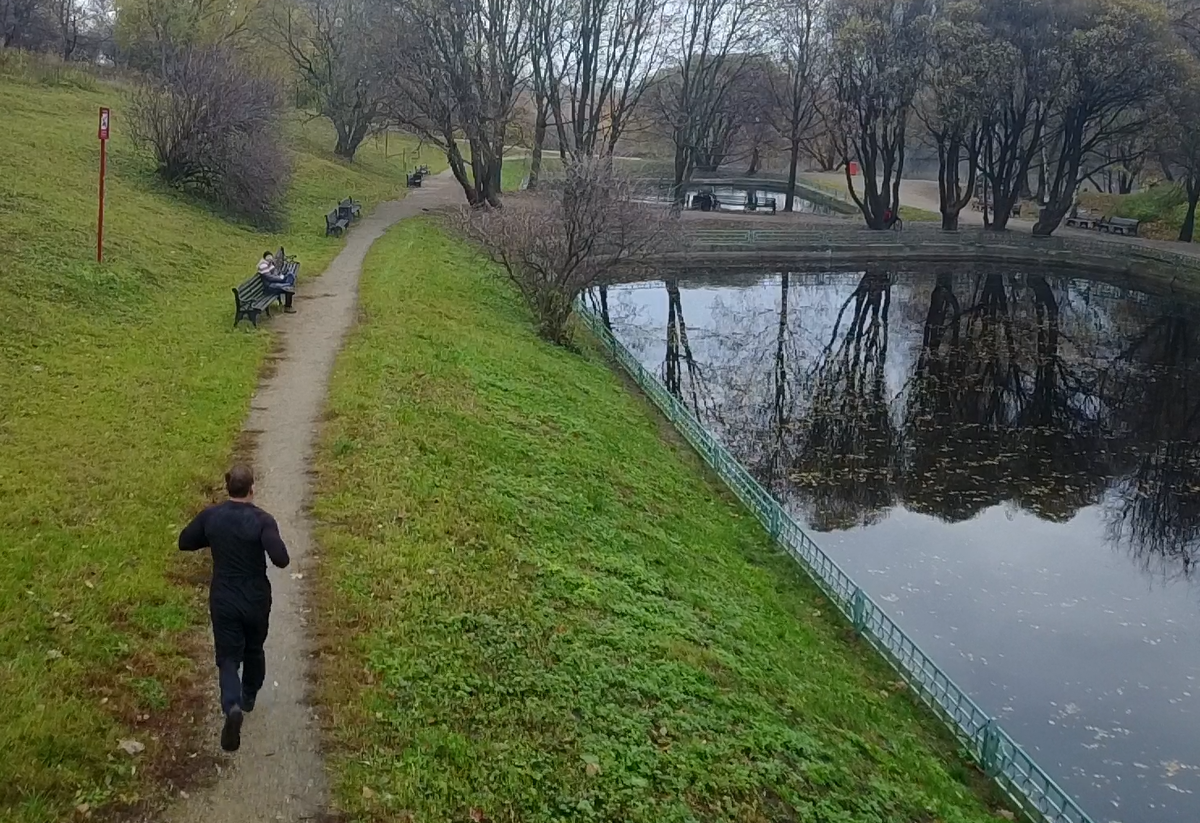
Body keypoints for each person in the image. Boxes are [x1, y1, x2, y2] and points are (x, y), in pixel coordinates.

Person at [178, 465, 290, 752]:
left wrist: (214, 537)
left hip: (224, 596)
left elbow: (185, 542)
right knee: (254, 648)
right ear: (252, 488)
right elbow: (281, 559)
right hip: (255, 596)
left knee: (228, 658)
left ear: (227, 488)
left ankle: (232, 706)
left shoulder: (211, 516)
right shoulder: (263, 520)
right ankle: (249, 695)